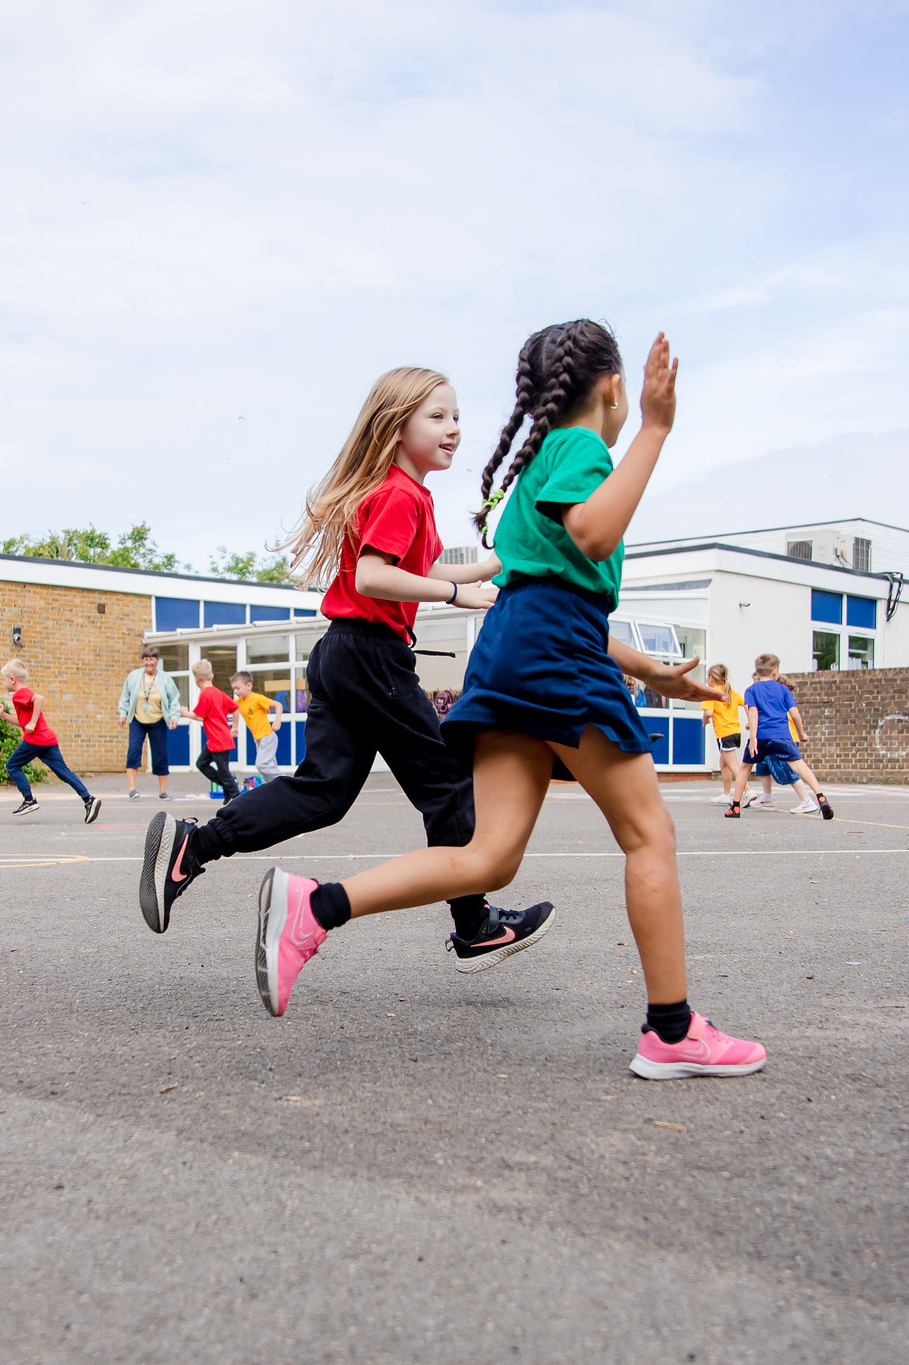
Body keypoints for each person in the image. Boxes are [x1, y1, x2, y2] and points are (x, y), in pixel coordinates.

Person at [254, 322, 766, 1081]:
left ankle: (316, 908)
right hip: (549, 655)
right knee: (648, 836)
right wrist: (656, 430)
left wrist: (651, 672)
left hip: (517, 653)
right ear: (613, 389)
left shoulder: (538, 471)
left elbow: (549, 600)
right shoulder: (581, 448)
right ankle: (671, 1030)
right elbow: (592, 537)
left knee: (487, 854)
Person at [139, 366, 557, 974]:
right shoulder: (400, 494)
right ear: (395, 426)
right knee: (445, 786)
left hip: (342, 652)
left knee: (324, 791)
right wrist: (452, 596)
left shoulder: (403, 494)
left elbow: (429, 569)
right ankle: (475, 927)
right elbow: (374, 577)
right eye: (437, 416)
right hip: (371, 655)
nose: (454, 429)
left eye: (457, 416)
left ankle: (193, 846)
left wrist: (502, 566)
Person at [0, 659, 104, 822]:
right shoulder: (23, 695)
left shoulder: (20, 694)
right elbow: (22, 722)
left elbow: (40, 699)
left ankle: (29, 800)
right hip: (47, 739)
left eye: (4, 679)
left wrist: (32, 722)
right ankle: (89, 799)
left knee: (12, 765)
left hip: (35, 739)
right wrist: (3, 714)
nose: (4, 683)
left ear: (12, 679)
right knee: (63, 772)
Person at [727, 654, 833, 819]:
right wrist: (801, 733)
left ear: (757, 671)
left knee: (744, 769)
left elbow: (753, 712)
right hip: (782, 736)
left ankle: (735, 807)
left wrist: (753, 738)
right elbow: (794, 713)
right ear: (775, 671)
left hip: (761, 736)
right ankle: (821, 797)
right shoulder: (783, 689)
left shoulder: (751, 690)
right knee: (800, 767)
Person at [117, 646, 181, 800]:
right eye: (146, 659)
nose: (148, 663)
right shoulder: (134, 676)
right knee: (133, 751)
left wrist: (174, 717)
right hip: (137, 720)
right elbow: (125, 696)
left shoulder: (165, 678)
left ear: (157, 661)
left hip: (158, 720)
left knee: (160, 755)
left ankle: (162, 791)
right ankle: (132, 788)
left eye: (151, 659)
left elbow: (174, 699)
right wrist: (123, 714)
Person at [187, 660, 240, 803]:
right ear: (212, 676)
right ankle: (228, 789)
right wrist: (234, 726)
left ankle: (237, 796)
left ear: (196, 680)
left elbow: (199, 715)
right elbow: (235, 707)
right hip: (216, 739)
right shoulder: (219, 693)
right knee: (202, 763)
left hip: (218, 739)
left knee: (223, 771)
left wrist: (185, 713)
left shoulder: (206, 694)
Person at [230, 671, 283, 789]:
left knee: (261, 764)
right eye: (234, 689)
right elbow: (233, 710)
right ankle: (277, 788)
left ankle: (286, 782)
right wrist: (234, 726)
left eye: (238, 688)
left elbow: (278, 705)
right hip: (258, 740)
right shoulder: (239, 702)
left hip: (267, 736)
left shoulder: (257, 698)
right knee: (269, 766)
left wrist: (277, 721)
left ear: (249, 685)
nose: (235, 691)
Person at [700, 663, 744, 805]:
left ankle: (748, 791)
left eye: (708, 676)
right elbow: (746, 703)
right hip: (735, 732)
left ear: (711, 678)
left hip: (724, 733)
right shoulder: (730, 692)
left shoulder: (712, 693)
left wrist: (705, 720)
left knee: (732, 766)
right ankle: (726, 794)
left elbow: (708, 712)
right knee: (724, 764)